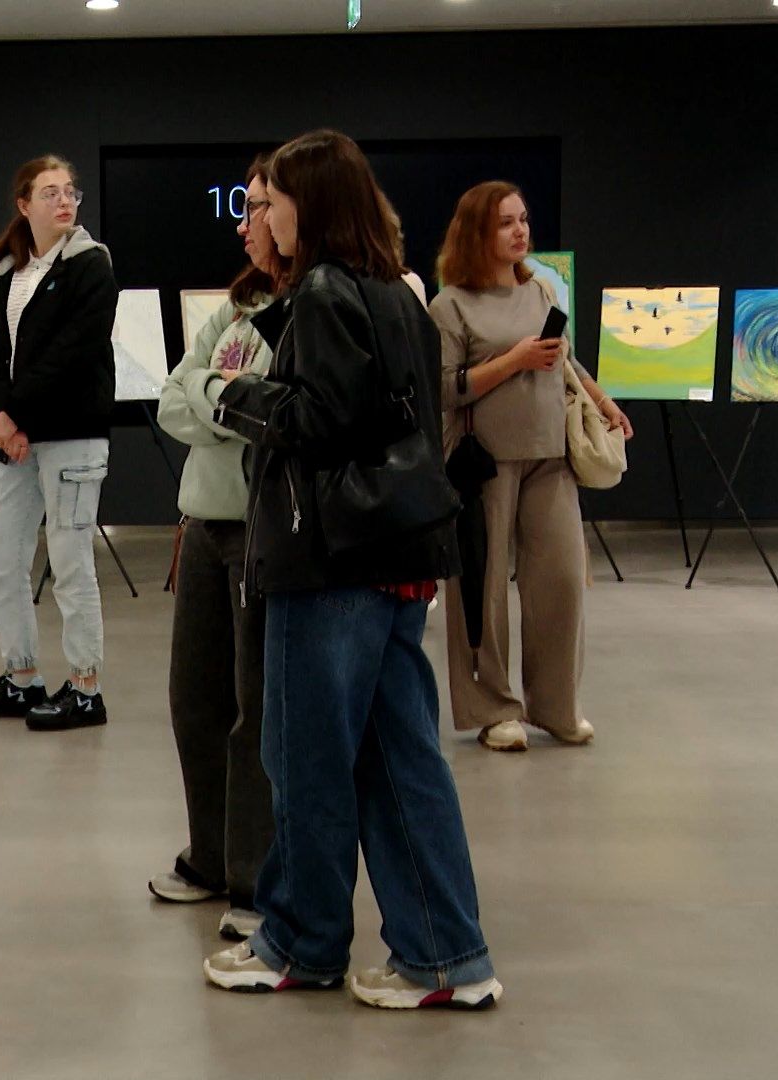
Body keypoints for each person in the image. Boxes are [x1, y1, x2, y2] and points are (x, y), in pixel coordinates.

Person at [204, 130, 502, 1010]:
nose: (265, 214)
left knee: (306, 758)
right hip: (395, 555)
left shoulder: (330, 293)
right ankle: (447, 957)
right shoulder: (397, 293)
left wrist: (240, 395)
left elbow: (322, 420)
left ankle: (300, 942)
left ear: (314, 205)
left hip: (328, 561)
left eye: (275, 199)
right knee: (400, 760)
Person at [429, 181, 632, 752]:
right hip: (482, 464)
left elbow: (564, 358)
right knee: (483, 592)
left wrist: (603, 402)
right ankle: (493, 708)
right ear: (476, 234)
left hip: (550, 455)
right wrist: (512, 361)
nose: (521, 231)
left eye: (523, 219)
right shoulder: (449, 306)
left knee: (562, 583)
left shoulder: (541, 290)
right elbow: (444, 390)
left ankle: (556, 705)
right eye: (505, 223)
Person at [150, 155, 286, 940]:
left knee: (250, 712)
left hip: (257, 533)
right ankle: (208, 856)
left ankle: (253, 877)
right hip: (201, 525)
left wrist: (218, 399)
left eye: (257, 207)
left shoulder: (301, 310)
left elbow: (269, 410)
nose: (241, 221)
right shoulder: (234, 311)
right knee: (192, 701)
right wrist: (226, 401)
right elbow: (178, 396)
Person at [0, 154, 118, 732]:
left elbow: (71, 354)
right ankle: (22, 676)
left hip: (72, 436)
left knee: (71, 561)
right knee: (0, 553)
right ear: (24, 206)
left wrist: (14, 414)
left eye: (69, 191)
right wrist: (7, 416)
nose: (64, 200)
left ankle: (85, 687)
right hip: (22, 438)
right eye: (49, 192)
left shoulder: (91, 266)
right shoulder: (6, 273)